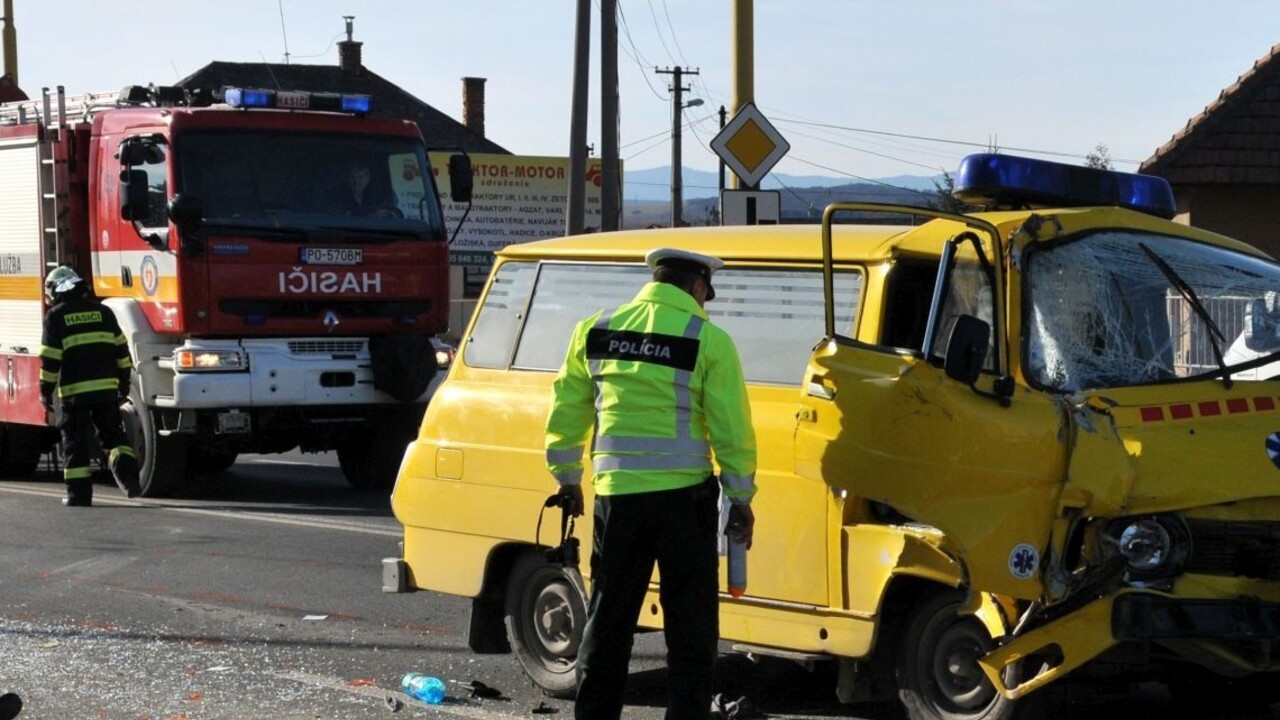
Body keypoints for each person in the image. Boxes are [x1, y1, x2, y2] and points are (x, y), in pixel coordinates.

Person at [545, 247, 757, 720]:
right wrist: (741, 498)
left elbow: (567, 406)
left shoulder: (596, 329)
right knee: (691, 626)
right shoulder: (708, 339)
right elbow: (731, 428)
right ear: (698, 288)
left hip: (617, 499)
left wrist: (567, 477)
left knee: (609, 618)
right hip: (685, 502)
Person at [39, 266, 141, 506]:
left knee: (75, 443)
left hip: (74, 394)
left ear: (56, 291)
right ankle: (131, 480)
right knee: (114, 438)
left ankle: (79, 495)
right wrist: (123, 383)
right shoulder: (103, 312)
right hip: (106, 391)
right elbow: (121, 351)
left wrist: (45, 390)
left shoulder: (55, 317)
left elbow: (51, 359)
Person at [333, 158, 398, 217]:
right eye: (352, 177)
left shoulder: (378, 193)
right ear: (346, 178)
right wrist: (370, 217)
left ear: (368, 178)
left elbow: (395, 212)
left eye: (360, 177)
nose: (356, 181)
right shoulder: (338, 195)